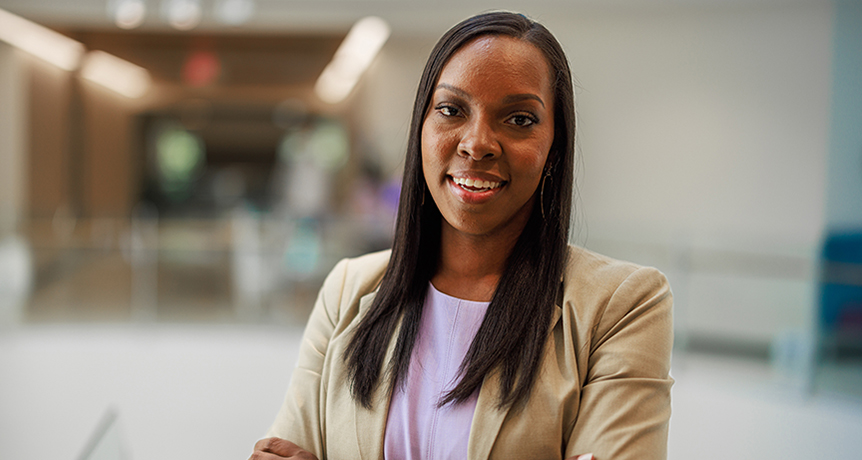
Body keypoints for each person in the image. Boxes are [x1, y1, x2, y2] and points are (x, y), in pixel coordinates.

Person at [250, 11, 673, 460]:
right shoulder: (348, 291)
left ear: (554, 146)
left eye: (519, 119)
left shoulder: (623, 307)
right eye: (451, 110)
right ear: (421, 129)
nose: (477, 143)